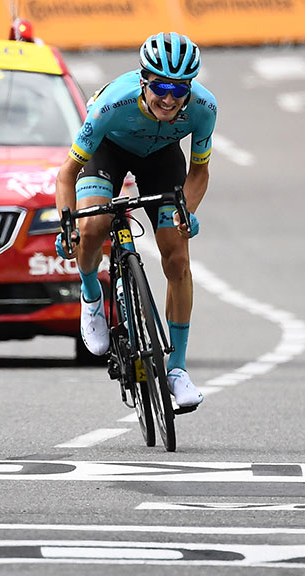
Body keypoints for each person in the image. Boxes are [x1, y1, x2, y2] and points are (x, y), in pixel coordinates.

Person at [55, 32, 215, 409]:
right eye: (160, 86)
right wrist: (68, 224)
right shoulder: (111, 105)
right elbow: (66, 174)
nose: (169, 98)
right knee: (93, 227)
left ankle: (176, 370)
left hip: (161, 157)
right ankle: (92, 291)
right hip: (108, 152)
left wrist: (185, 213)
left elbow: (200, 172)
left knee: (177, 256)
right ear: (144, 80)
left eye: (179, 89)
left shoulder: (204, 108)